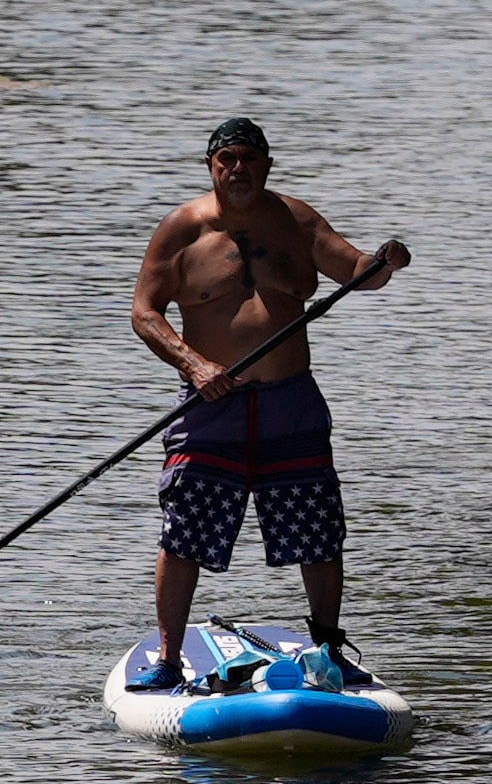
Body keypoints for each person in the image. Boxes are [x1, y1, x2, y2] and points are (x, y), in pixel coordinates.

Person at [130, 118, 406, 683]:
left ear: (268, 165)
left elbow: (356, 271)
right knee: (184, 534)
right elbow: (144, 312)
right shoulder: (181, 231)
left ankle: (329, 651)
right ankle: (166, 661)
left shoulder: (296, 221)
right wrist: (194, 364)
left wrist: (383, 263)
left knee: (319, 531)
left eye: (249, 159)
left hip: (291, 403)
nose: (238, 169)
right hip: (211, 405)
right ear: (211, 167)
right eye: (226, 159)